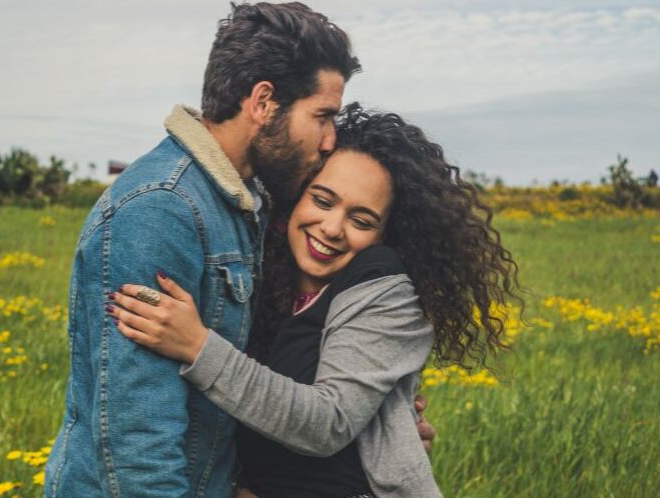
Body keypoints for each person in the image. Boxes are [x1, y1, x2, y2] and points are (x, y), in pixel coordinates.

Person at [43, 3, 434, 498]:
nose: (331, 139)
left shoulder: (247, 203)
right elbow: (136, 440)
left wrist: (383, 430)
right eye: (323, 116)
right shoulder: (162, 210)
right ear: (264, 103)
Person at [108, 104, 522, 497]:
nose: (332, 228)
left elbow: (326, 423)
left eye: (361, 220)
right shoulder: (261, 277)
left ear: (385, 235)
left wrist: (196, 346)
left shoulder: (387, 289)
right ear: (295, 199)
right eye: (322, 200)